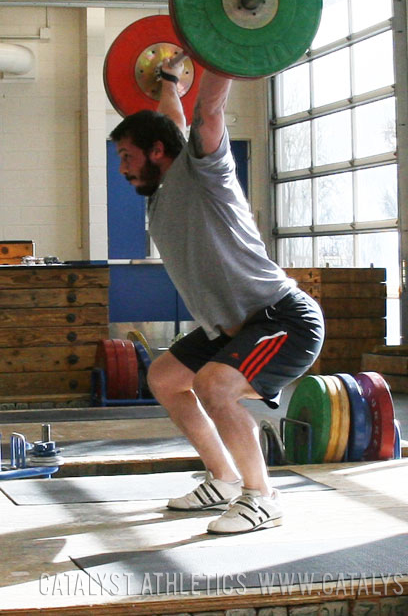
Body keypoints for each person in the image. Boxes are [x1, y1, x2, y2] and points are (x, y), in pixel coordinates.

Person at [110, 58, 325, 534]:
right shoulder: (163, 189)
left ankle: (263, 497)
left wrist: (223, 50)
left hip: (282, 320)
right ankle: (224, 479)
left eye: (127, 156)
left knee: (214, 386)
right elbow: (173, 116)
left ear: (158, 152)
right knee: (165, 377)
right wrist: (168, 80)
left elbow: (207, 111)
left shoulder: (204, 170)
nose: (122, 169)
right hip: (234, 325)